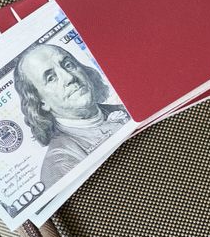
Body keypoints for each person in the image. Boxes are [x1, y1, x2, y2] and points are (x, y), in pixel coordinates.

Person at [14, 44, 129, 188]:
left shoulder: (125, 108)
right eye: (51, 78)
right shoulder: (60, 162)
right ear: (41, 102)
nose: (69, 77)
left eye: (68, 65)